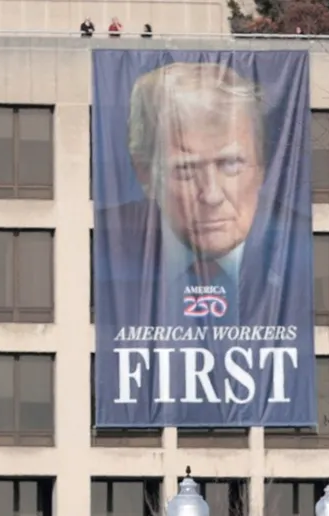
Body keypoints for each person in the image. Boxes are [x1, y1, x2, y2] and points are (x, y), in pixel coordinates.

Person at [96, 61, 313, 330]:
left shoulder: (302, 244)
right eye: (186, 169)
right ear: (145, 175)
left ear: (262, 167)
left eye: (231, 164)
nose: (211, 195)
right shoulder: (104, 245)